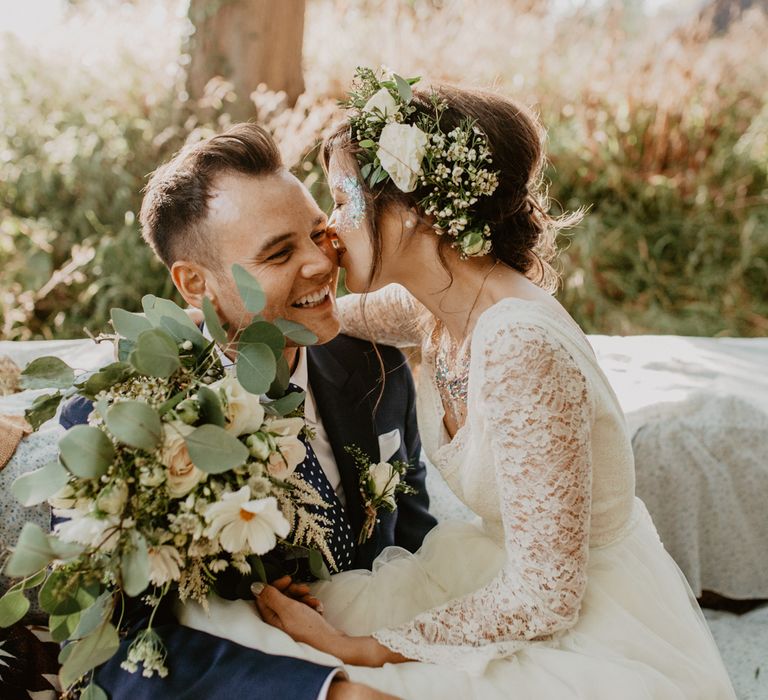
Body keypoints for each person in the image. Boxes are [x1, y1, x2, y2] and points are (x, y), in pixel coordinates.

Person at [206, 74, 737, 698]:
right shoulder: (432, 309)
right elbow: (303, 315)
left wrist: (364, 651)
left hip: (577, 619)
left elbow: (545, 598)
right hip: (496, 574)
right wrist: (206, 316)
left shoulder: (518, 344)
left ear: (413, 212)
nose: (328, 233)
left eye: (344, 203)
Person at [59, 122, 437, 700]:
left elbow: (416, 550)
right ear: (195, 284)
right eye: (280, 253)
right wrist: (330, 693)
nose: (319, 263)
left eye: (318, 232)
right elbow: (107, 650)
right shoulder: (126, 420)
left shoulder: (375, 369)